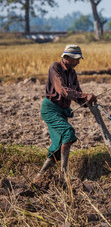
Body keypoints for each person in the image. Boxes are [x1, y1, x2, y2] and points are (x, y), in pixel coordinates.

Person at [34, 44, 97, 182]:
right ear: (66, 57)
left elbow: (77, 93)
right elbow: (63, 90)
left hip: (62, 111)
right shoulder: (55, 67)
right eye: (75, 59)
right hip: (50, 109)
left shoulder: (72, 73)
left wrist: (87, 101)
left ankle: (40, 175)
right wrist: (84, 95)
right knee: (68, 133)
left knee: (58, 145)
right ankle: (64, 173)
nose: (78, 62)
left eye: (79, 59)